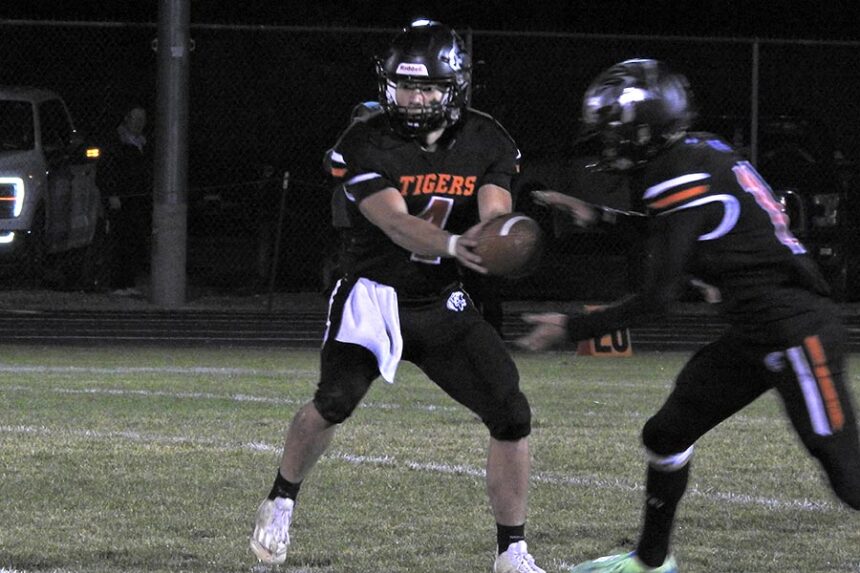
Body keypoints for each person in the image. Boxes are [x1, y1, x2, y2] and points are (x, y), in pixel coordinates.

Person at [517, 58, 860, 573]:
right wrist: (601, 216)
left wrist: (571, 327)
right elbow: (684, 226)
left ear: (642, 129)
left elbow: (659, 297)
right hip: (755, 330)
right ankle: (652, 561)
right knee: (665, 434)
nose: (603, 143)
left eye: (611, 131)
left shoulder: (677, 171)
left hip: (796, 331)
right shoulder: (696, 152)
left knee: (850, 480)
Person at [250, 20, 546, 573]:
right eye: (405, 86)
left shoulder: (486, 138)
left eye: (428, 87)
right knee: (333, 403)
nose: (414, 99)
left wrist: (503, 238)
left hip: (441, 301)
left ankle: (512, 551)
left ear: (454, 86)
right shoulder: (365, 141)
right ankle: (281, 498)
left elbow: (496, 209)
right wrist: (460, 243)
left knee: (510, 412)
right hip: (373, 297)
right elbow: (396, 223)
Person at [96, 105, 152, 295]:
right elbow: (107, 170)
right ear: (127, 119)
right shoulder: (116, 141)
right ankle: (116, 283)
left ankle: (128, 283)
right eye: (136, 119)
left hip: (137, 198)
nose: (139, 124)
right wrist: (112, 194)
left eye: (142, 120)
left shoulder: (141, 142)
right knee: (119, 240)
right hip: (120, 199)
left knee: (134, 240)